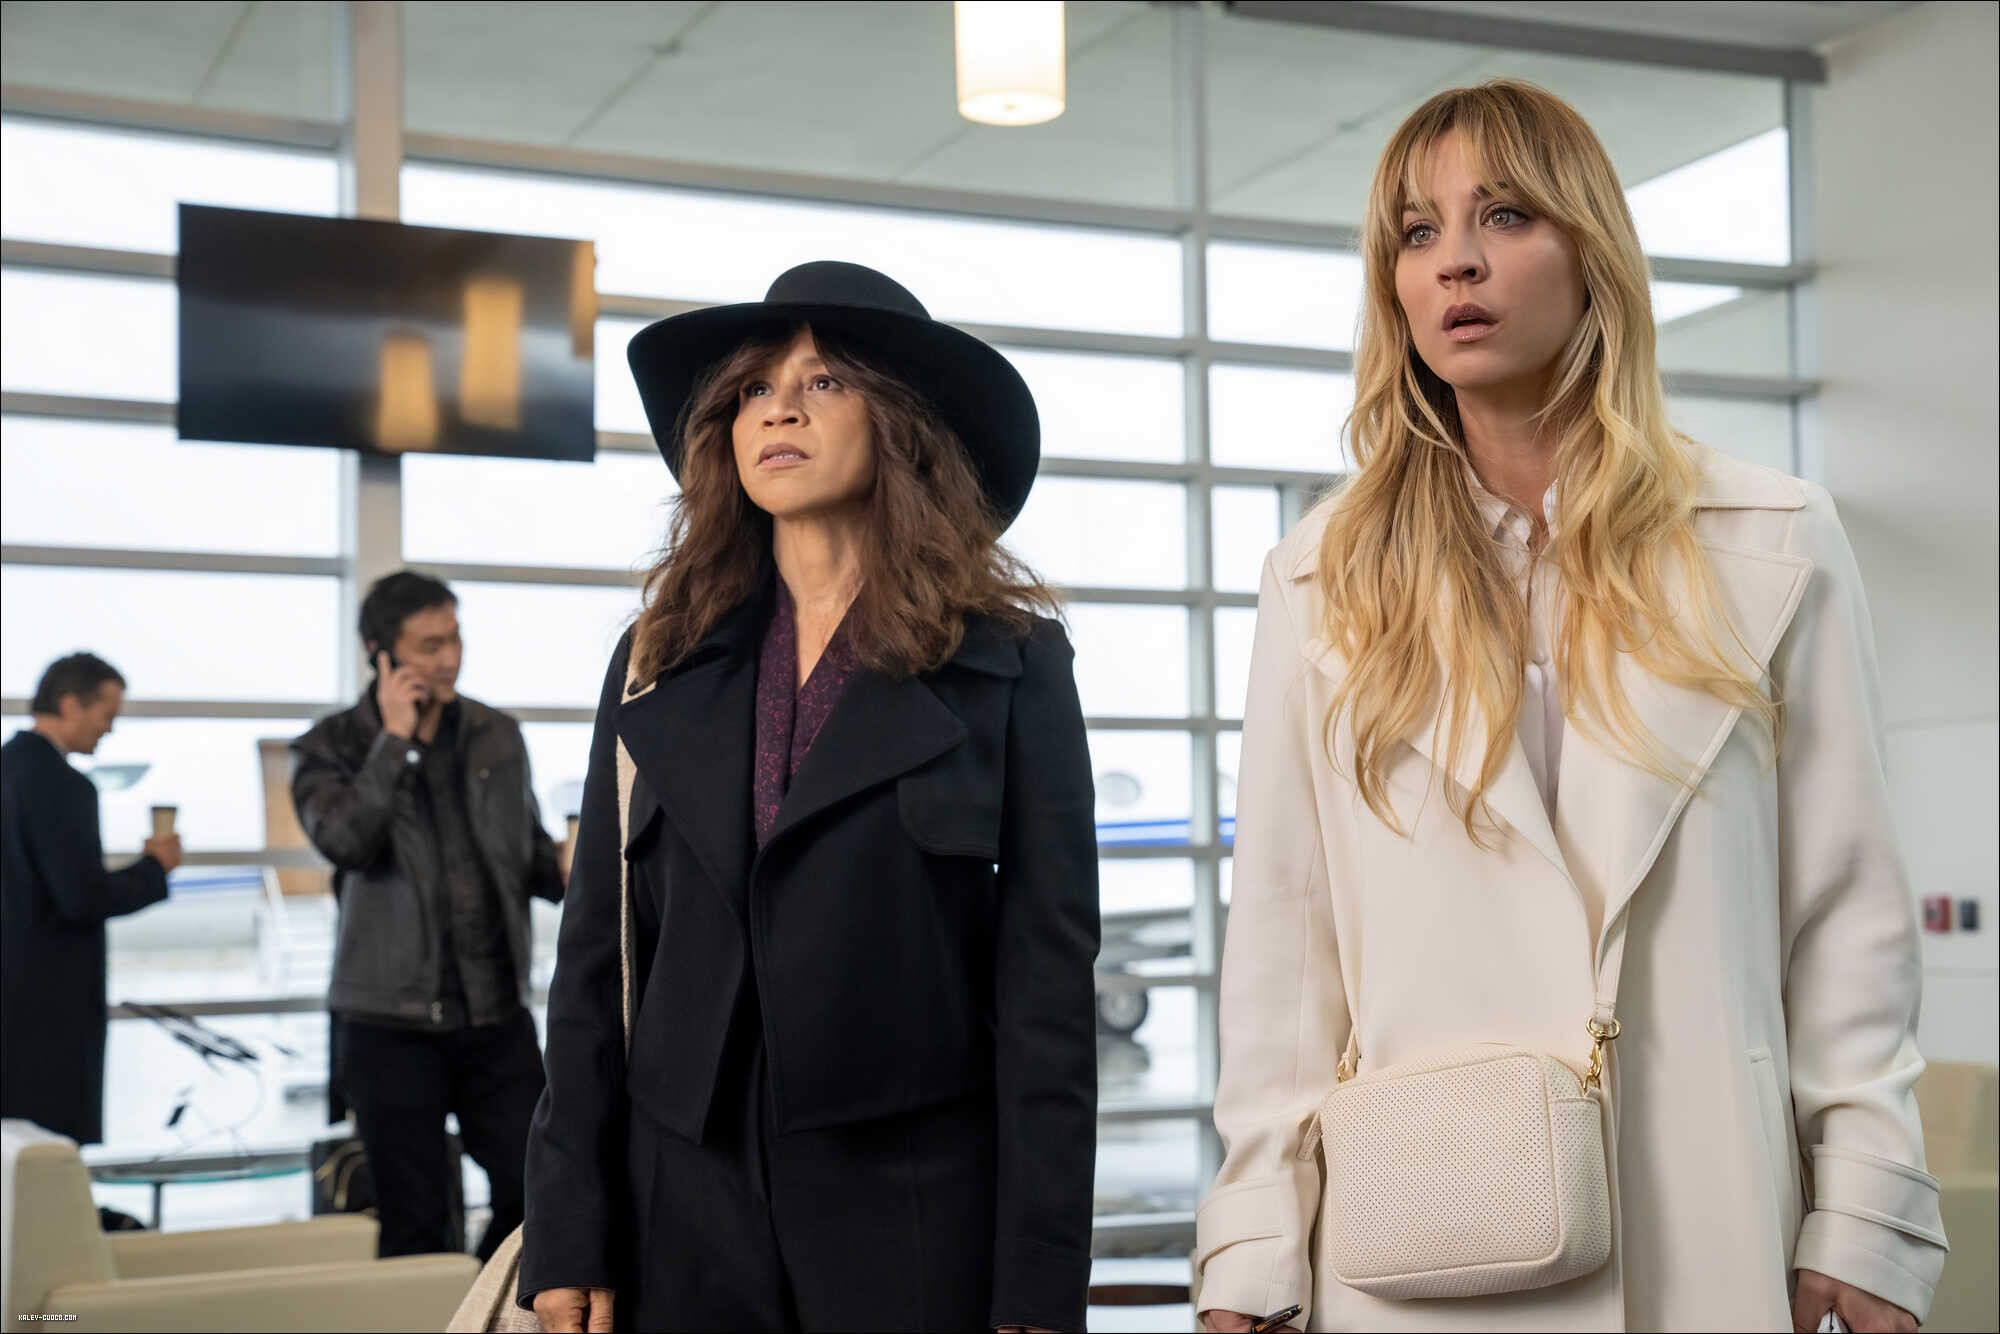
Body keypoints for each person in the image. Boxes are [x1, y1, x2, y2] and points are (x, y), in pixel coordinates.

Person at [1196, 81, 1945, 1334]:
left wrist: (1866, 1204)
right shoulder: (1318, 580)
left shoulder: (1772, 541)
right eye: (1416, 232)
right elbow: (1283, 943)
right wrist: (1253, 1241)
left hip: (1700, 1212)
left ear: (1589, 248)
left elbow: (1843, 915)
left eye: (1502, 215)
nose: (1455, 261)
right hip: (1423, 1234)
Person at [520, 261, 1100, 1334]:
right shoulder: (655, 660)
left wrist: (1040, 1264)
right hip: (679, 1210)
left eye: (824, 382)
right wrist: (568, 1228)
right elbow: (593, 962)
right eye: (754, 388)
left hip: (915, 1210)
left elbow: (1047, 989)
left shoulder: (1011, 665)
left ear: (903, 424)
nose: (778, 409)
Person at [291, 571, 565, 1261]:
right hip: (389, 1023)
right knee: (413, 1222)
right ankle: (435, 1299)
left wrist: (572, 863)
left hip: (495, 1015)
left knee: (540, 1193)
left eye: (456, 639)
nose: (450, 658)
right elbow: (347, 841)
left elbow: (529, 857)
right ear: (380, 653)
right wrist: (394, 740)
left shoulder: (497, 734)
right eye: (429, 645)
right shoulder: (328, 746)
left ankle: (479, 1298)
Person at [2, 653, 180, 1144]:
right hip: (47, 1009)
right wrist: (155, 867)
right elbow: (81, 898)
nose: (110, 729)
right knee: (47, 1161)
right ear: (70, 704)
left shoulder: (7, 768)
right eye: (107, 715)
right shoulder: (63, 785)